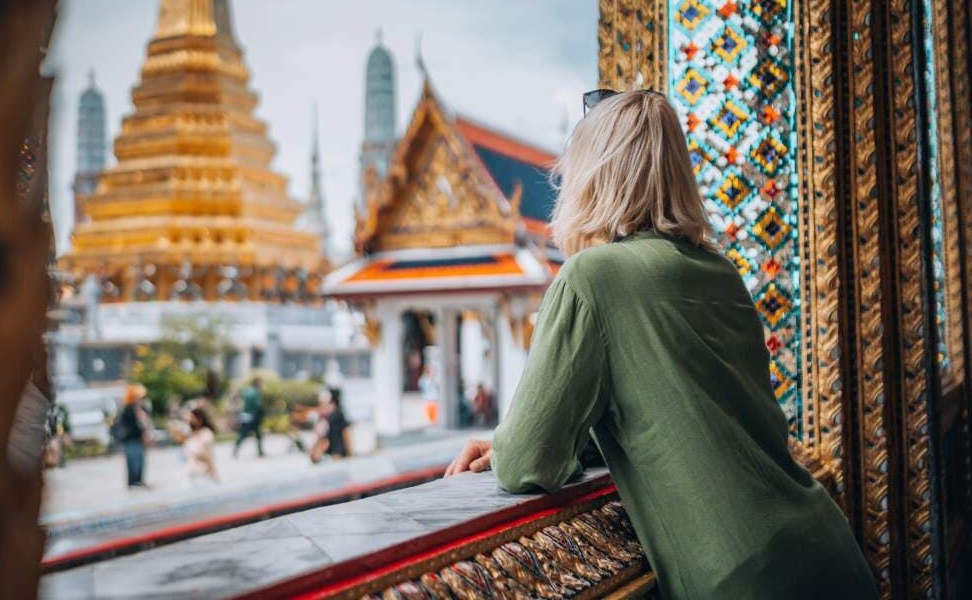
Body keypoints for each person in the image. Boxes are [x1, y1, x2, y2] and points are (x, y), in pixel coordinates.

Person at [445, 90, 876, 599]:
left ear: (593, 177)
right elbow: (669, 404)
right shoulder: (722, 273)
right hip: (827, 549)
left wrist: (505, 445)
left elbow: (526, 464)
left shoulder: (591, 277)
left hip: (744, 582)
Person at [114, 384, 151, 489]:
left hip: (140, 439)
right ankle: (132, 482)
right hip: (131, 439)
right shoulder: (128, 409)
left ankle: (139, 480)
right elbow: (128, 425)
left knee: (140, 460)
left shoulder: (142, 408)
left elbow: (146, 422)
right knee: (132, 460)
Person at [310, 387, 352, 463]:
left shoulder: (329, 415)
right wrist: (349, 451)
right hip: (338, 453)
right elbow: (346, 433)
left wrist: (314, 449)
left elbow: (321, 435)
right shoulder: (338, 414)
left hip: (332, 453)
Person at [180, 405, 218, 485]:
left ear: (199, 419)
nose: (190, 420)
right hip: (191, 470)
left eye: (192, 417)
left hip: (202, 471)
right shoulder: (191, 433)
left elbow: (205, 454)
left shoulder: (207, 433)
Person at [233, 377, 265, 458]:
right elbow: (259, 405)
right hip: (253, 416)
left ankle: (236, 449)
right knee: (250, 434)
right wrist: (263, 413)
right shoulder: (255, 393)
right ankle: (260, 451)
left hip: (245, 415)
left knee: (245, 433)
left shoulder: (247, 391)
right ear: (257, 383)